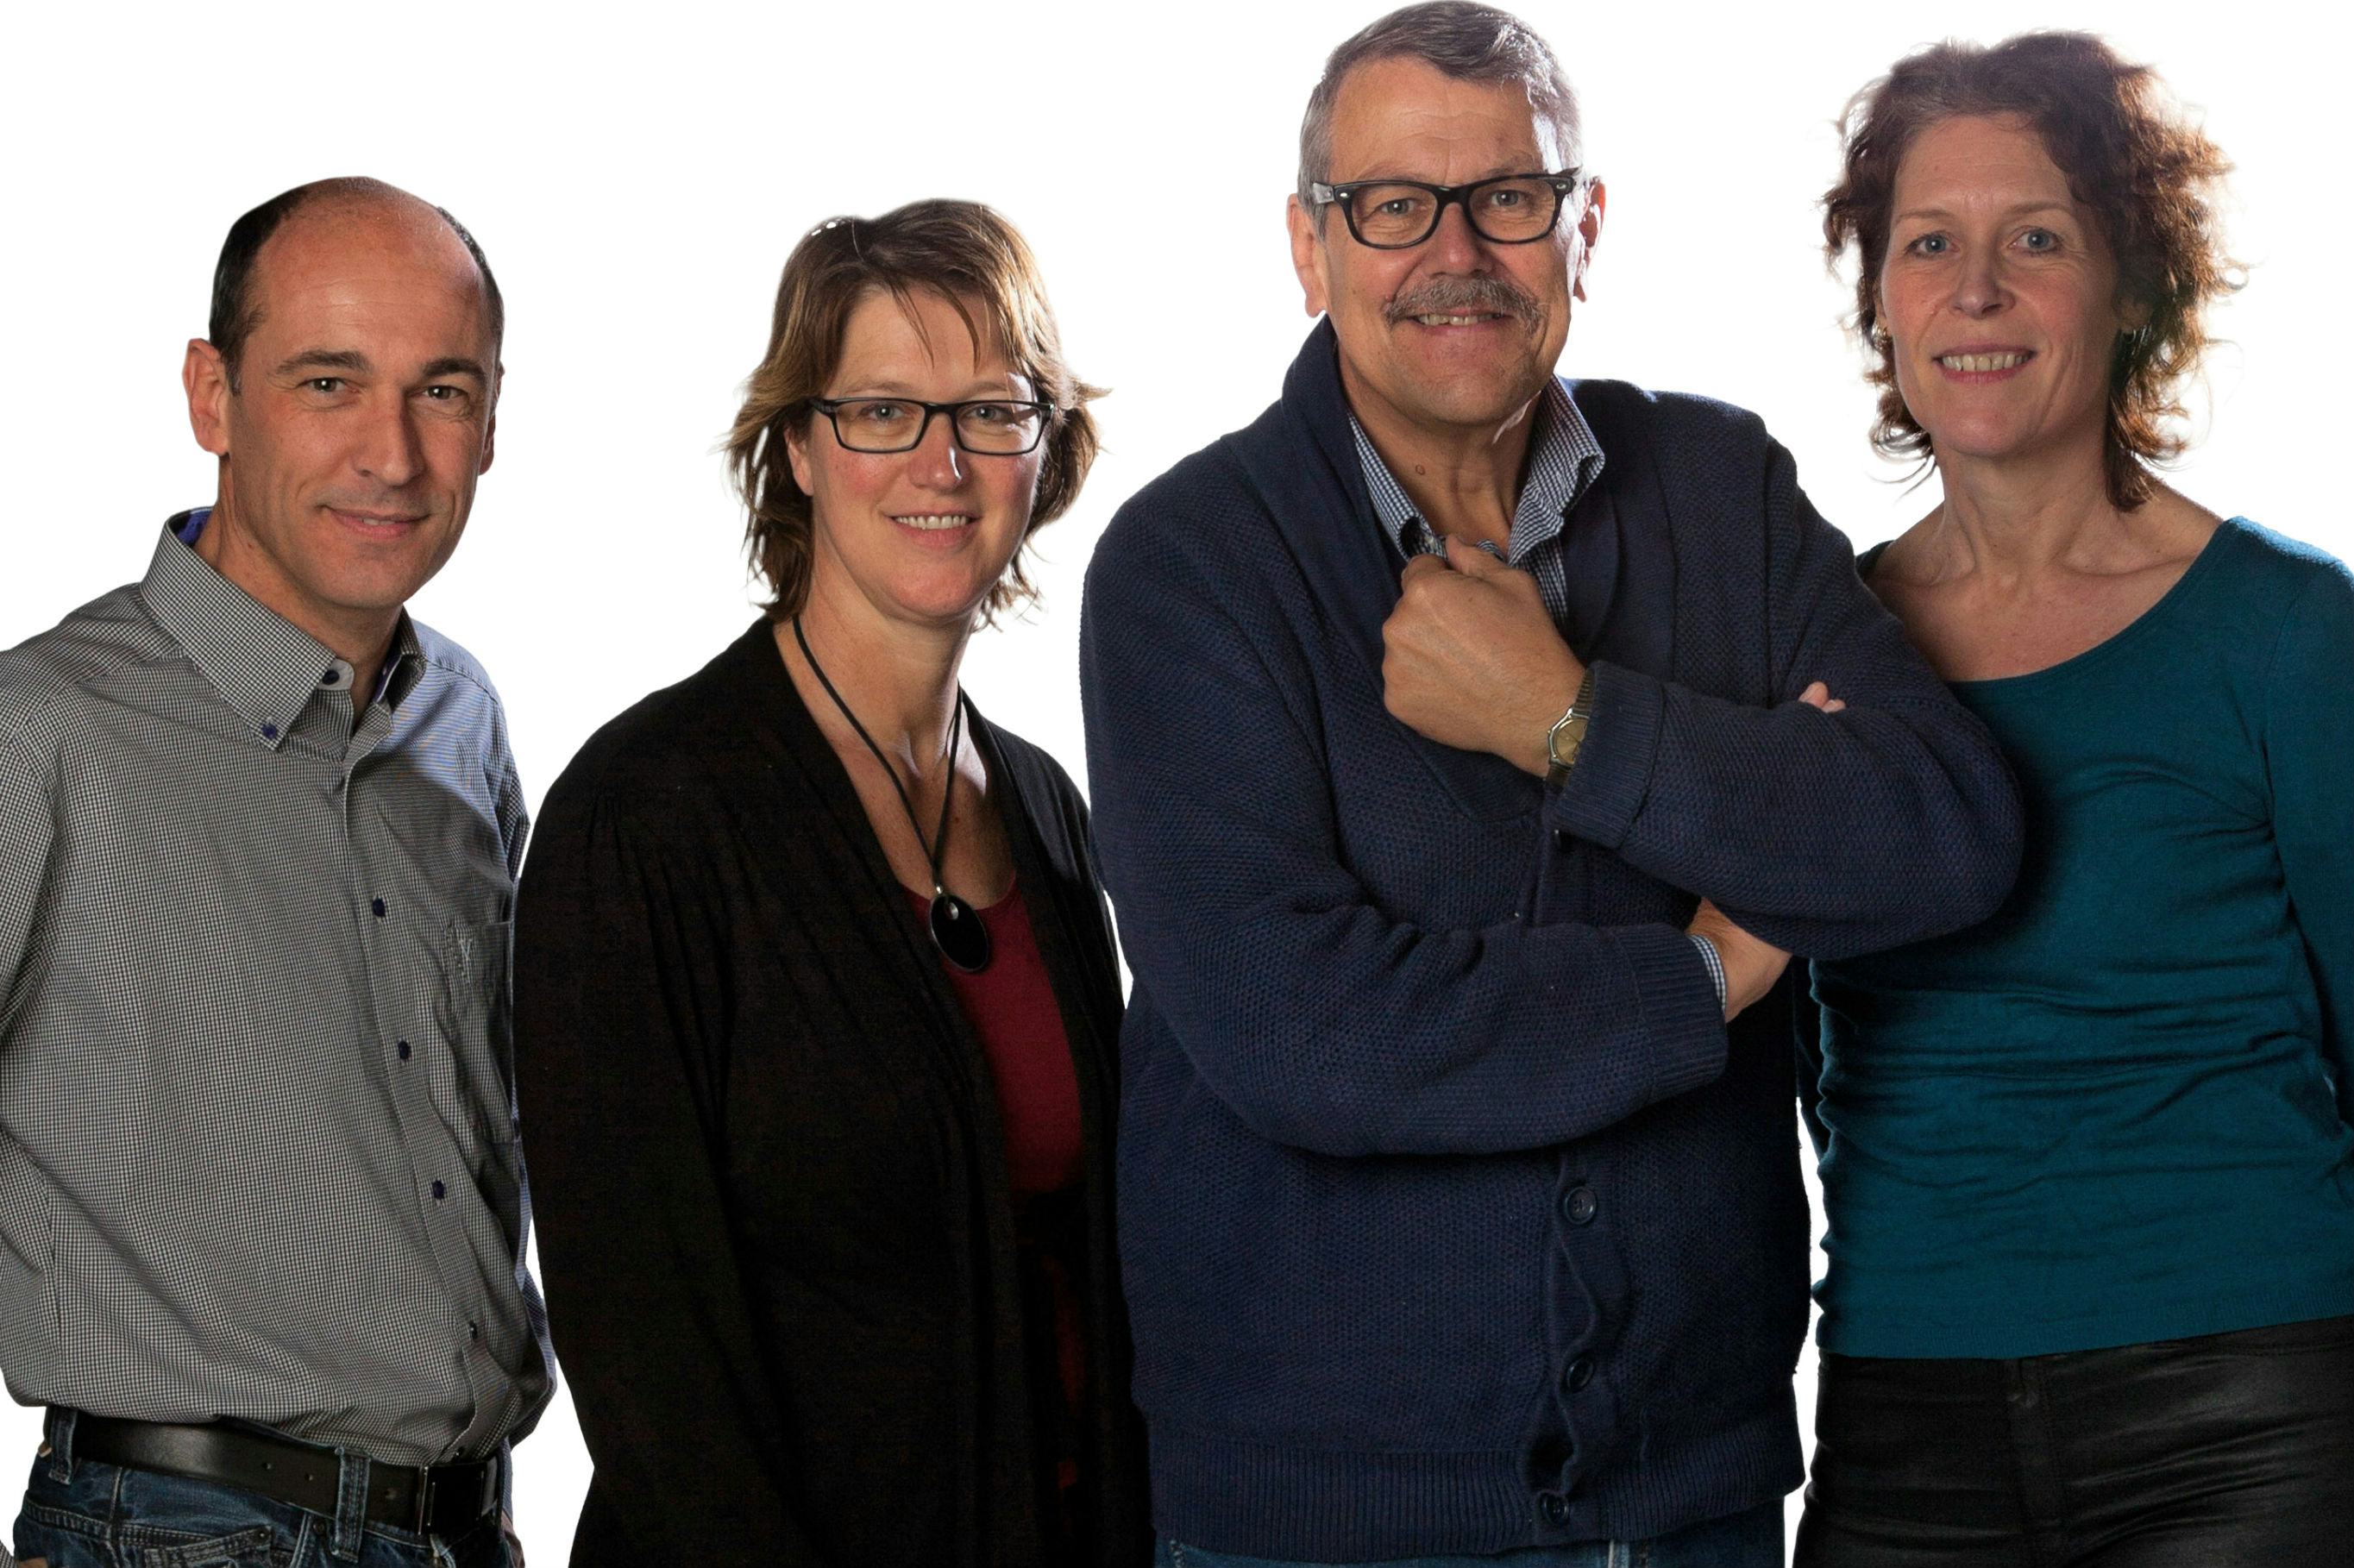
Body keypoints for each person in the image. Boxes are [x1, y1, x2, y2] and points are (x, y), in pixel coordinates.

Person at [1077, 4, 2024, 1565]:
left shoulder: (1718, 490)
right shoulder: (1191, 568)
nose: (1456, 252)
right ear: (1307, 251)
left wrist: (1572, 722)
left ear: (1584, 229)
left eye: (1509, 199)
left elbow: (1939, 825)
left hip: (1690, 1496)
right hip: (1322, 1518)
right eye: (1392, 206)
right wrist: (1704, 967)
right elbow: (1308, 1030)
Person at [513, 199, 1148, 1566]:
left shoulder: (1044, 809)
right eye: (880, 411)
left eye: (992, 409)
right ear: (797, 447)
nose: (942, 460)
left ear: (1045, 450)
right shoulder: (645, 815)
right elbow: (646, 1361)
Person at [1795, 32, 2354, 1565]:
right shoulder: (1817, 649)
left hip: (2250, 1415)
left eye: (2034, 238)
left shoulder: (2288, 631)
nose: (1974, 290)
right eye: (1929, 245)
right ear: (1884, 302)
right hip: (1900, 1418)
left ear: (2132, 288)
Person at [0, 179, 543, 1568]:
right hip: (180, 1531)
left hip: (464, 1529)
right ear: (212, 393)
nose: (394, 455)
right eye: (327, 382)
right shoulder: (44, 730)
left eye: (442, 390)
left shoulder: (462, 720)